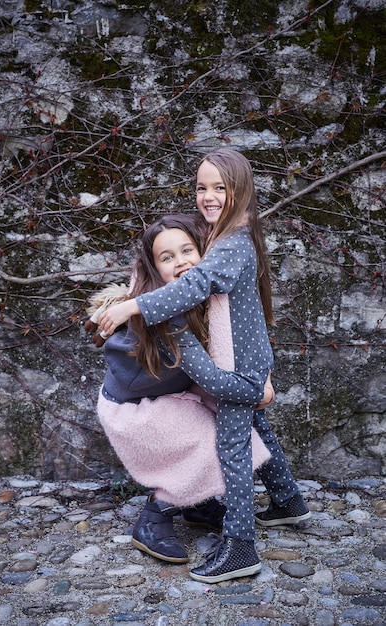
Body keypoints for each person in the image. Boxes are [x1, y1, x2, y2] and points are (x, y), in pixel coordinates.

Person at [98, 148, 311, 583]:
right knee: (250, 432)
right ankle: (287, 501)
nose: (209, 196)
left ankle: (241, 549)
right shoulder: (230, 237)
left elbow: (196, 285)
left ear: (242, 190)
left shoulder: (228, 246)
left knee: (233, 452)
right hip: (188, 388)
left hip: (236, 370)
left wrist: (131, 307)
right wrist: (258, 385)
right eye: (201, 187)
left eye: (220, 187)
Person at [94, 214, 274, 565]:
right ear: (154, 268)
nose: (181, 263)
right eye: (167, 257)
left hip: (170, 395)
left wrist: (264, 374)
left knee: (231, 432)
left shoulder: (204, 293)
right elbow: (210, 378)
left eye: (187, 250)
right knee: (217, 444)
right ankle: (155, 516)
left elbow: (246, 339)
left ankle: (199, 503)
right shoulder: (164, 313)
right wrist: (258, 392)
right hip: (134, 409)